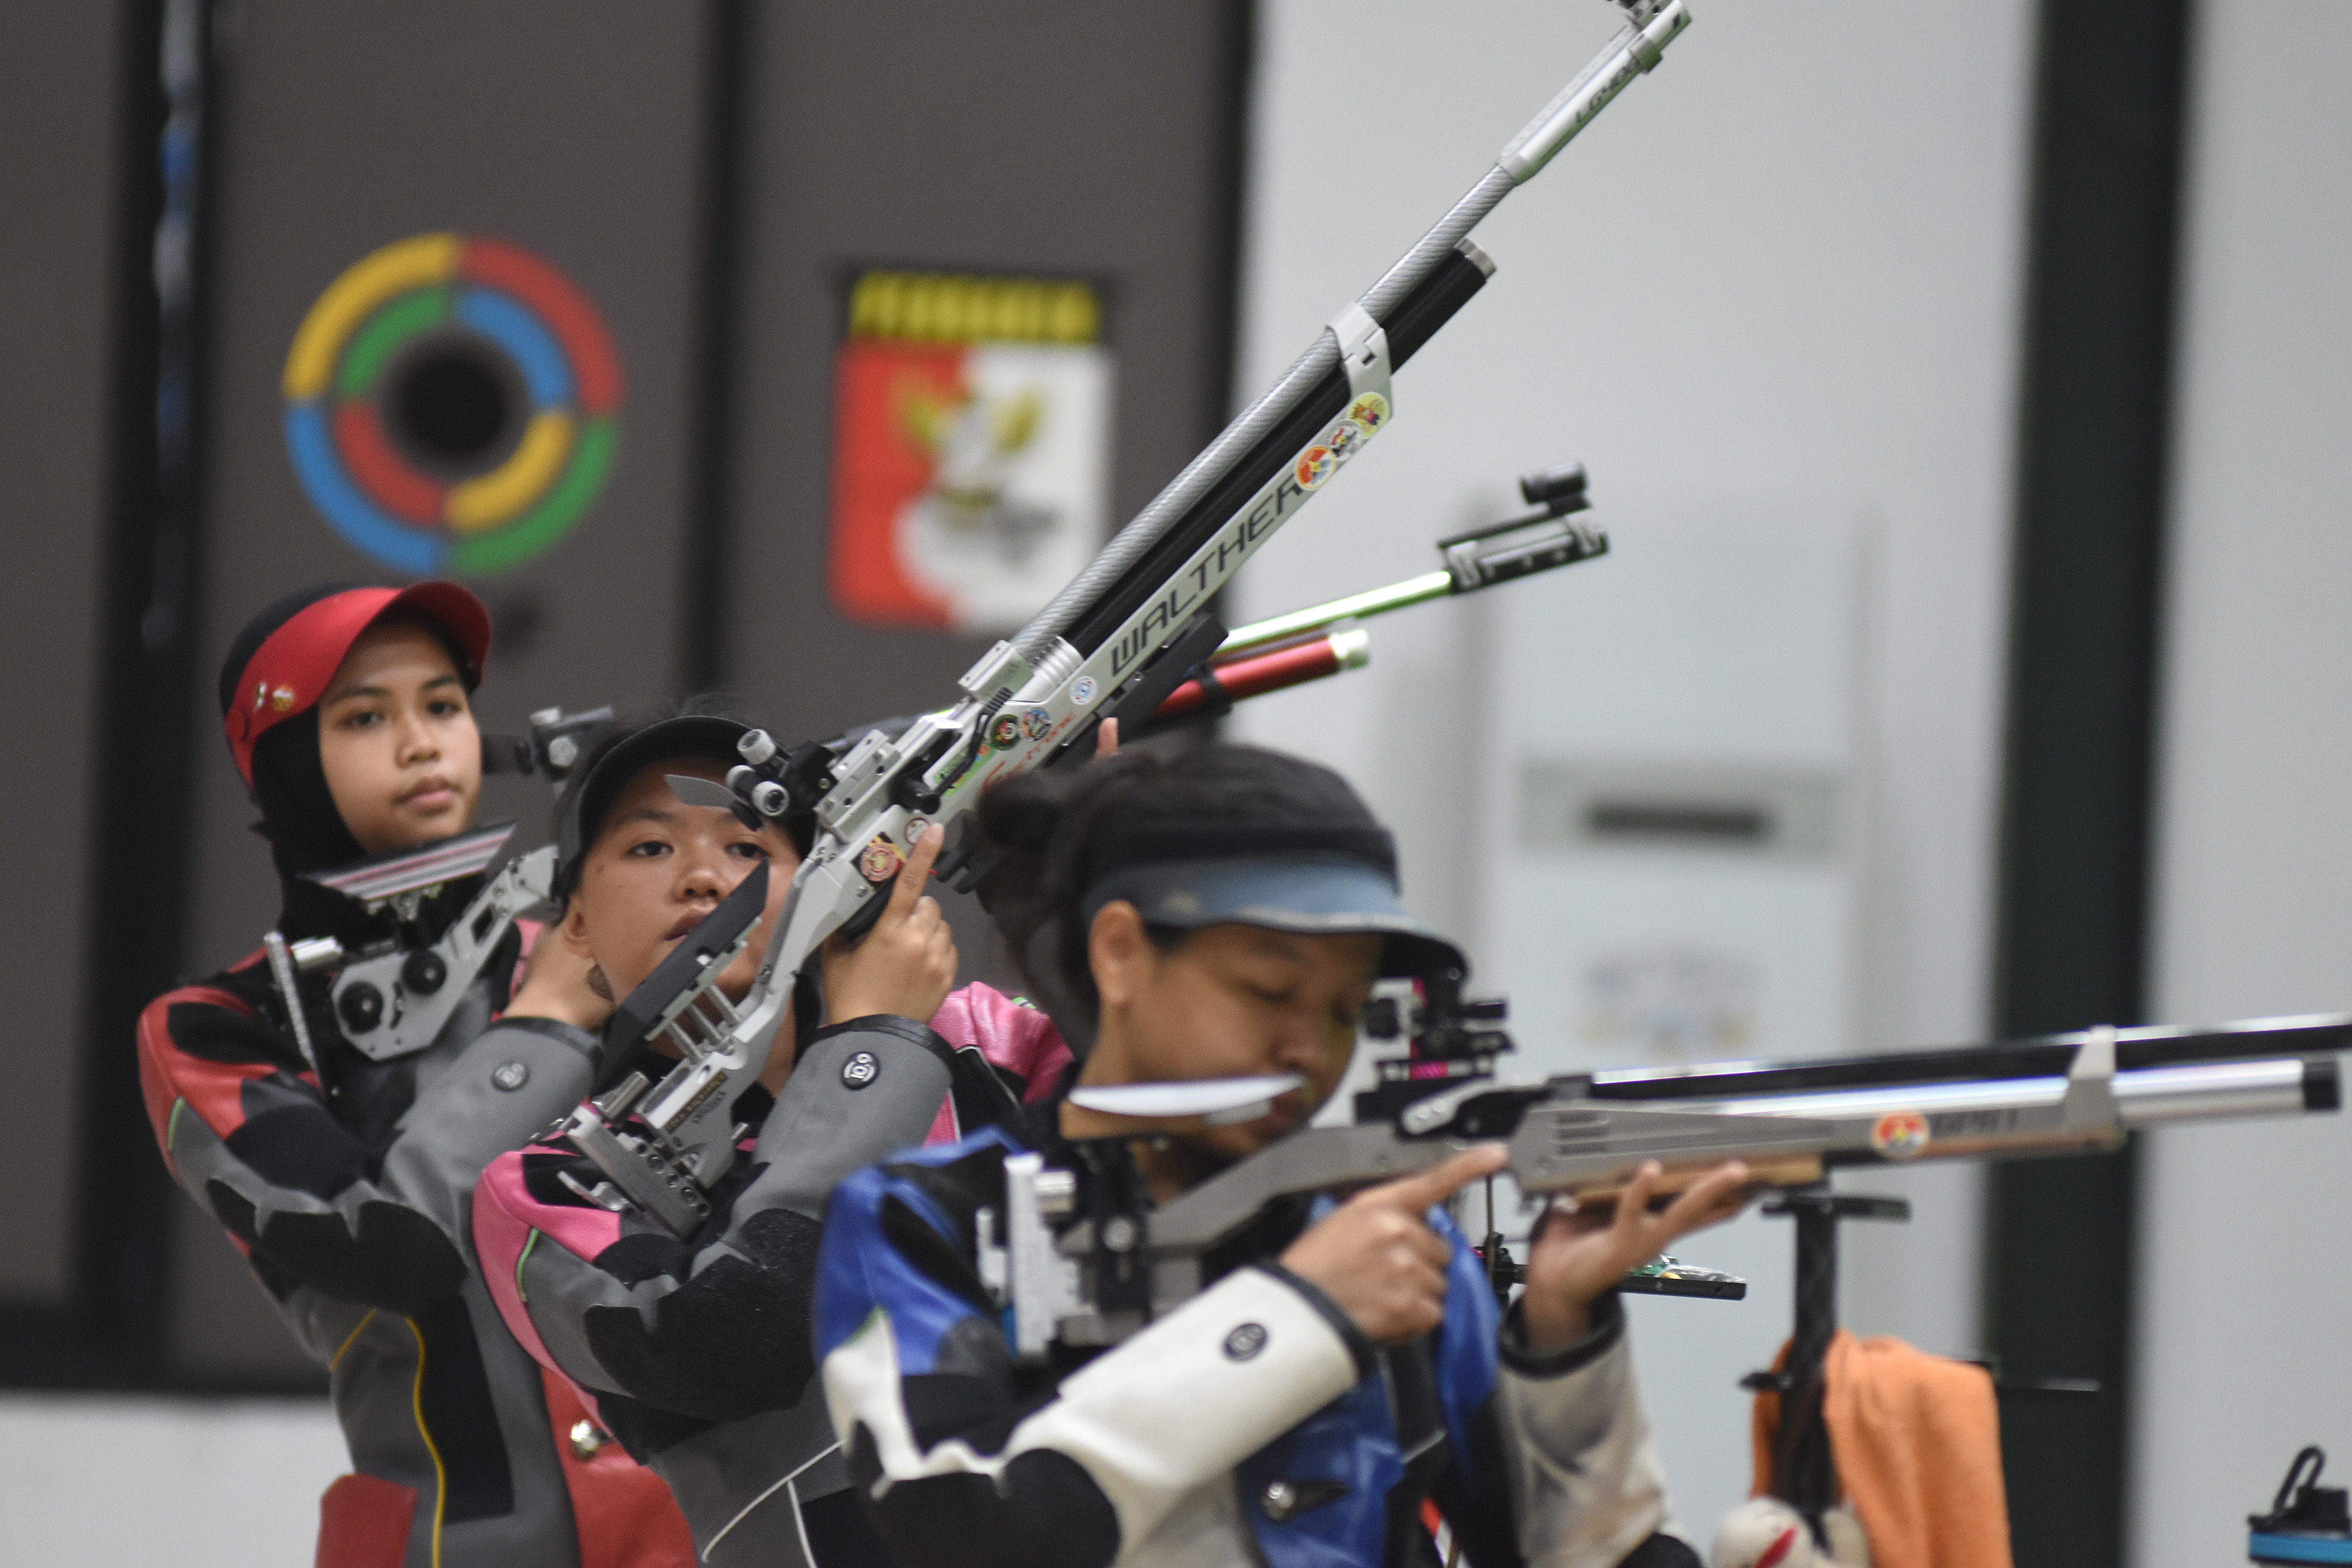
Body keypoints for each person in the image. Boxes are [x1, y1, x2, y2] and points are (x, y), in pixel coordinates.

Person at [814, 743, 1752, 1568]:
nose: (1310, 1048)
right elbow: (970, 1534)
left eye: (1347, 1012)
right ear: (1122, 952)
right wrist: (1303, 1313)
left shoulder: (1385, 1237)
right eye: (1269, 991)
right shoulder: (919, 1221)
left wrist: (1562, 1334)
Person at [136, 582, 694, 1568]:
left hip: (690, 1531)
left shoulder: (569, 954)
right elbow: (381, 1249)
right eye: (364, 717)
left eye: (443, 705)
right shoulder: (214, 1028)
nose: (422, 741)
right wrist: (549, 1027)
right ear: (282, 761)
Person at [472, 711, 1073, 1567]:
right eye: (650, 848)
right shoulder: (549, 1185)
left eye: (750, 848)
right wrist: (868, 1049)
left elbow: (1176, 1127)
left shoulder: (981, 1042)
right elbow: (732, 1342)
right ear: (572, 929)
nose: (704, 878)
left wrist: (1082, 906)